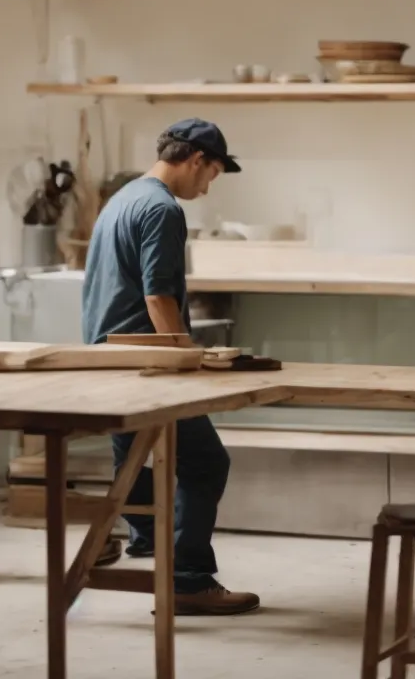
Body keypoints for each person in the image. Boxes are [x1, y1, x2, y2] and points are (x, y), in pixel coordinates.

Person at [80, 118, 259, 615]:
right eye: (212, 175)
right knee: (205, 463)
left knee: (134, 458)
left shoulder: (122, 198)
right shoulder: (162, 209)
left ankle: (145, 540)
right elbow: (157, 294)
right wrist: (188, 356)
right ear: (197, 160)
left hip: (105, 356)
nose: (206, 188)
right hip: (146, 361)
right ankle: (188, 579)